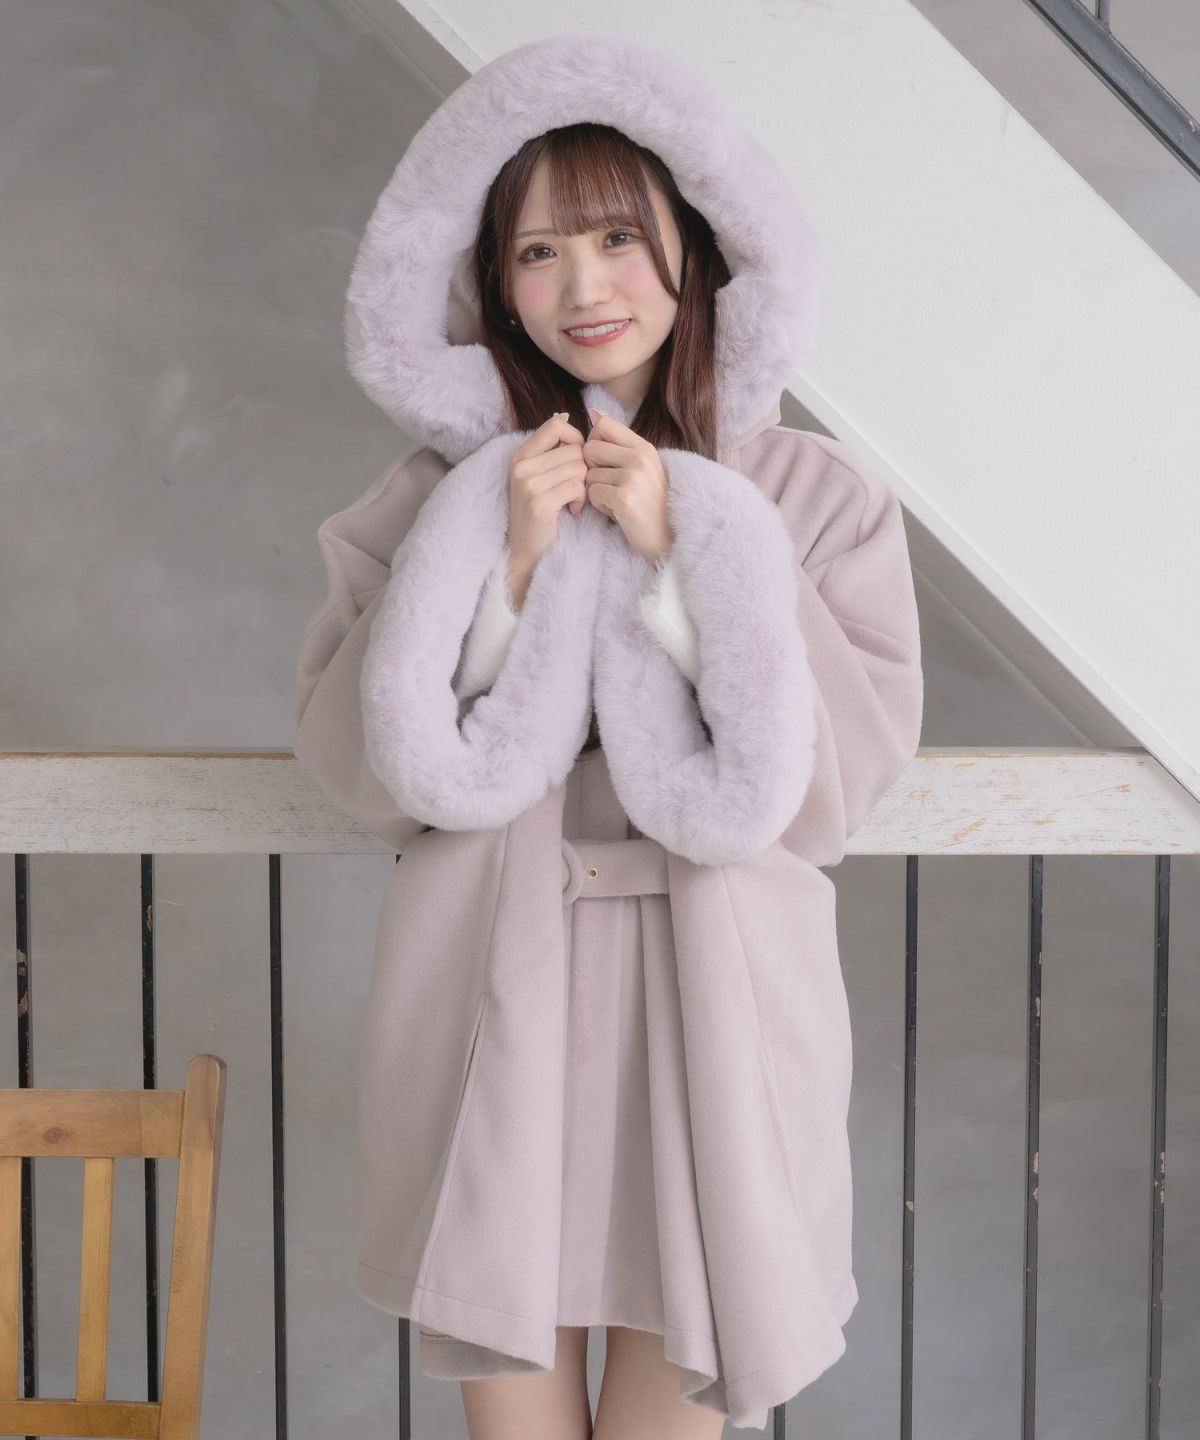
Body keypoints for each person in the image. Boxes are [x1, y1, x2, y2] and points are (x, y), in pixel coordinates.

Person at [293, 33, 924, 1439]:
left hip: (715, 1009)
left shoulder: (817, 498)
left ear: (694, 248)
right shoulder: (431, 493)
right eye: (538, 252)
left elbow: (838, 780)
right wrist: (503, 566)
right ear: (490, 282)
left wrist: (687, 554)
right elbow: (359, 762)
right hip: (495, 995)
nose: (584, 289)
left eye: (619, 239)